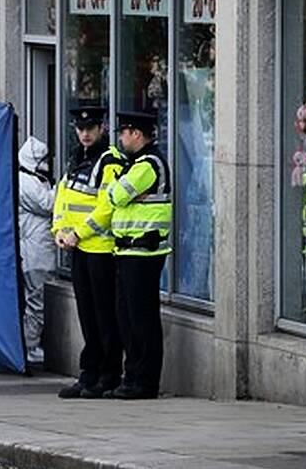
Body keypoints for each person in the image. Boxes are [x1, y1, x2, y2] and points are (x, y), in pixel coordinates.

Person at [54, 106, 127, 399]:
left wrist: (78, 233)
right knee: (87, 314)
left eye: (91, 129)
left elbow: (106, 207)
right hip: (77, 248)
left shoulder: (110, 161)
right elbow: (62, 197)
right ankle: (89, 373)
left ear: (101, 130)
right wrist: (58, 229)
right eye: (81, 129)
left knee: (105, 316)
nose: (85, 134)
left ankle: (109, 375)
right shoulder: (76, 159)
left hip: (100, 249)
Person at [101, 111, 173, 400]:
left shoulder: (147, 165)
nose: (120, 138)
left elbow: (115, 196)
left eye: (124, 133)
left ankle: (144, 382)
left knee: (142, 320)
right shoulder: (136, 165)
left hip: (144, 251)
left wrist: (123, 191)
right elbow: (114, 194)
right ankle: (131, 377)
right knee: (127, 318)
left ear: (137, 135)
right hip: (128, 250)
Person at [17, 136, 56, 368]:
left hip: (36, 249)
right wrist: (63, 187)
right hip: (35, 252)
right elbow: (48, 205)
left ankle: (30, 344)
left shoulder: (30, 179)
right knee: (35, 301)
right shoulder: (27, 181)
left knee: (34, 300)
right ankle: (30, 346)